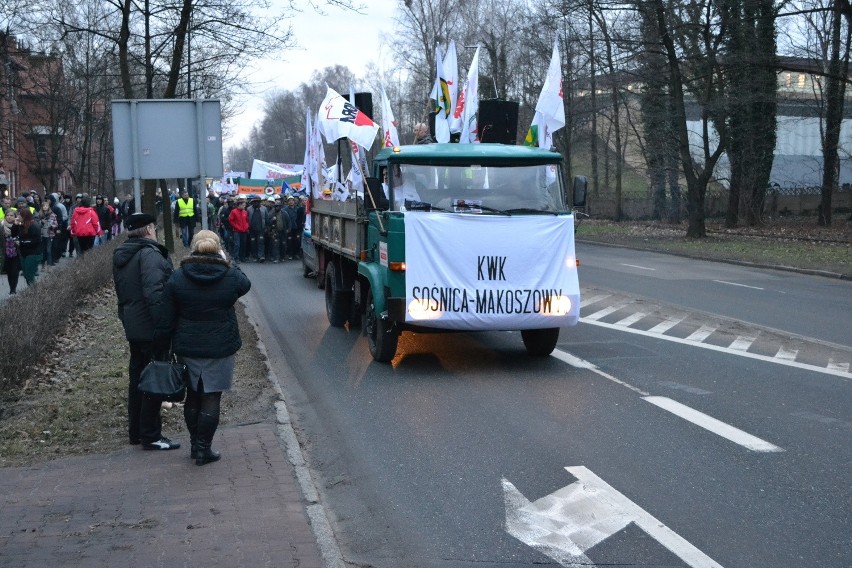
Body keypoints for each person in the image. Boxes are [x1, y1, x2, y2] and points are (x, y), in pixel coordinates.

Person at [158, 230, 250, 465]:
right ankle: (203, 449)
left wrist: (162, 346)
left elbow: (166, 316)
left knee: (192, 396)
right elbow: (245, 284)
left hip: (187, 346)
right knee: (211, 396)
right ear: (217, 248)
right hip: (220, 346)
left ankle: (194, 445)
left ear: (193, 248)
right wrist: (226, 259)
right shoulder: (229, 274)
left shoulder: (178, 277)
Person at [113, 212, 180, 451]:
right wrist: (164, 327)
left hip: (134, 325)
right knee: (153, 381)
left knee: (138, 380)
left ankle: (137, 432)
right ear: (150, 229)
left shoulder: (124, 253)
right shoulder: (149, 255)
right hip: (150, 327)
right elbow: (155, 294)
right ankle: (151, 435)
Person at [17, 208, 42, 286]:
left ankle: (34, 293)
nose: (18, 217)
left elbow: (36, 241)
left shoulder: (34, 226)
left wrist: (21, 242)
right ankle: (31, 292)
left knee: (29, 275)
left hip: (33, 253)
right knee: (26, 275)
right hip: (25, 253)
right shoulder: (22, 225)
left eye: (20, 215)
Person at [3, 209, 21, 294]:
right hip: (5, 253)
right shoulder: (2, 226)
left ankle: (13, 289)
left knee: (15, 272)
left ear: (15, 217)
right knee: (9, 272)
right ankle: (11, 288)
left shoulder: (19, 226)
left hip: (16, 253)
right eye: (7, 215)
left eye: (11, 215)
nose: (9, 217)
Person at [246, 195, 268, 262]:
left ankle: (261, 256)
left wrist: (267, 227)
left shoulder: (264, 208)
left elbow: (266, 218)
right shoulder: (248, 209)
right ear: (252, 202)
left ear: (260, 202)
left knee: (260, 242)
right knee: (253, 243)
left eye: (257, 202)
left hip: (261, 229)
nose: (256, 203)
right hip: (251, 229)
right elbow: (246, 219)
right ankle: (255, 256)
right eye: (254, 202)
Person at [228, 196, 249, 264]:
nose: (244, 206)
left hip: (244, 231)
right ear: (239, 205)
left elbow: (247, 220)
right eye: (243, 205)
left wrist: (246, 227)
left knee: (243, 245)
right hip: (237, 231)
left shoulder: (245, 212)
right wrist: (236, 227)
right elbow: (231, 220)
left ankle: (242, 257)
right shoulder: (234, 212)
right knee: (237, 245)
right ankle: (236, 258)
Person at [38, 200, 58, 268]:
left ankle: (49, 265)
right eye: (44, 206)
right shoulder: (39, 215)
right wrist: (41, 222)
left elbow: (56, 224)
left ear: (49, 207)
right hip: (42, 234)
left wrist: (51, 225)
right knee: (43, 250)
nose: (45, 207)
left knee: (49, 250)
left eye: (46, 206)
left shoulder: (52, 215)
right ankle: (43, 265)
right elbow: (36, 225)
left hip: (50, 234)